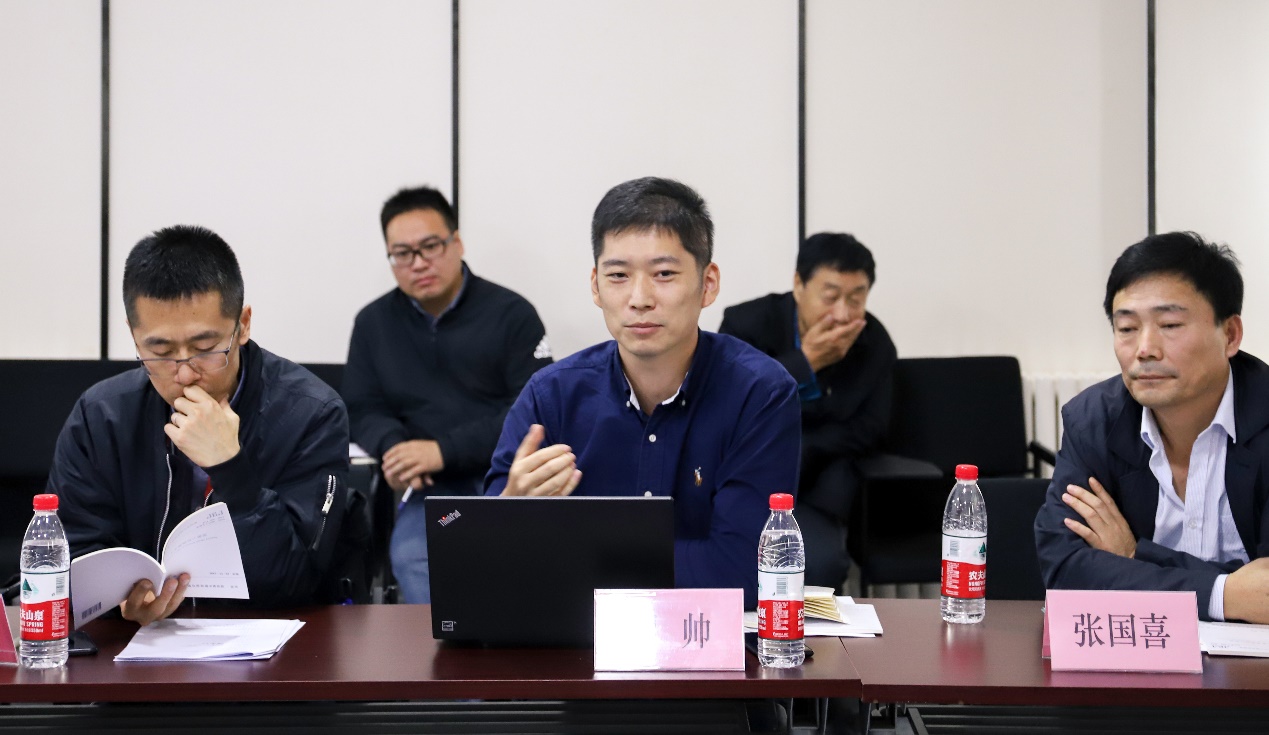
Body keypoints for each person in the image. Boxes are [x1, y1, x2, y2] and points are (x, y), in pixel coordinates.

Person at [485, 176, 801, 608]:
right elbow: (490, 559)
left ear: (708, 283)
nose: (639, 298)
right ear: (595, 285)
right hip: (575, 640)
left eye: (664, 274)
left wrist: (573, 559)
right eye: (618, 276)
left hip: (707, 639)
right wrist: (507, 514)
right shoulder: (551, 396)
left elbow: (745, 568)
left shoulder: (760, 394)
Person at [49, 226, 349, 624]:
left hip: (274, 641)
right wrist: (121, 601)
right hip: (136, 641)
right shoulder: (101, 416)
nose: (185, 373)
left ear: (243, 324)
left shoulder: (311, 413)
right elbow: (69, 557)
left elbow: (297, 580)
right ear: (135, 338)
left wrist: (230, 467)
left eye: (206, 349)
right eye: (160, 351)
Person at [1034, 231, 1269, 623]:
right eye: (1127, 328)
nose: (1145, 349)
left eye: (1170, 324)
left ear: (1230, 335)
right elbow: (1065, 569)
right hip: (1139, 653)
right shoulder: (1093, 421)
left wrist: (1134, 556)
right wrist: (1223, 595)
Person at [343, 186, 551, 603]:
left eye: (430, 246)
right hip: (437, 491)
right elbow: (361, 406)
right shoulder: (373, 323)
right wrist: (394, 449)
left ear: (457, 242)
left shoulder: (512, 314)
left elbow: (533, 412)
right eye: (402, 254)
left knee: (531, 556)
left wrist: (443, 450)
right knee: (415, 557)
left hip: (509, 479)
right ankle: (445, 645)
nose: (418, 263)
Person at [719, 232, 896, 589]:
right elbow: (728, 409)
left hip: (818, 484)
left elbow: (872, 428)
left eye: (856, 299)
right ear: (799, 285)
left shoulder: (873, 340)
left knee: (820, 565)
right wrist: (805, 363)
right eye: (830, 297)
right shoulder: (746, 324)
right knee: (724, 556)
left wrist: (806, 449)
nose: (842, 314)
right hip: (744, 473)